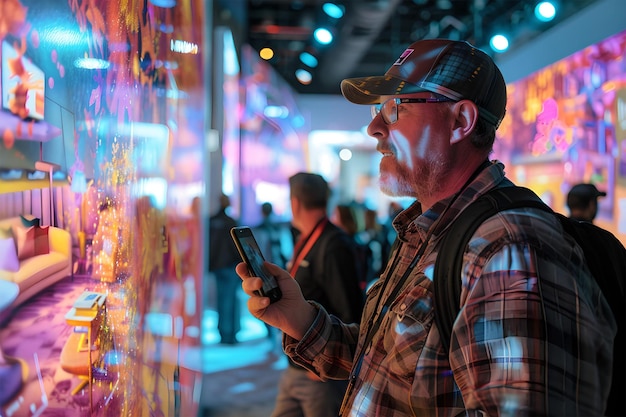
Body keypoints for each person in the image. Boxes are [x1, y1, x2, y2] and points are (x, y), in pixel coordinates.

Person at [235, 39, 616, 416]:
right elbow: (392, 367)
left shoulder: (508, 250)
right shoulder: (430, 231)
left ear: (461, 121)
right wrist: (300, 318)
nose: (374, 127)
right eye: (378, 108)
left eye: (394, 107)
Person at [270, 172, 364, 417]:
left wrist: (321, 363)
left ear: (295, 203)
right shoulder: (310, 237)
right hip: (298, 365)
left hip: (320, 373)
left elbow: (351, 310)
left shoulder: (333, 244)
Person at [208, 193, 241, 344]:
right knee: (231, 300)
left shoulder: (211, 222)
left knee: (221, 300)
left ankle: (223, 333)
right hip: (229, 267)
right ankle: (230, 334)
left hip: (217, 267)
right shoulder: (230, 222)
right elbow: (236, 248)